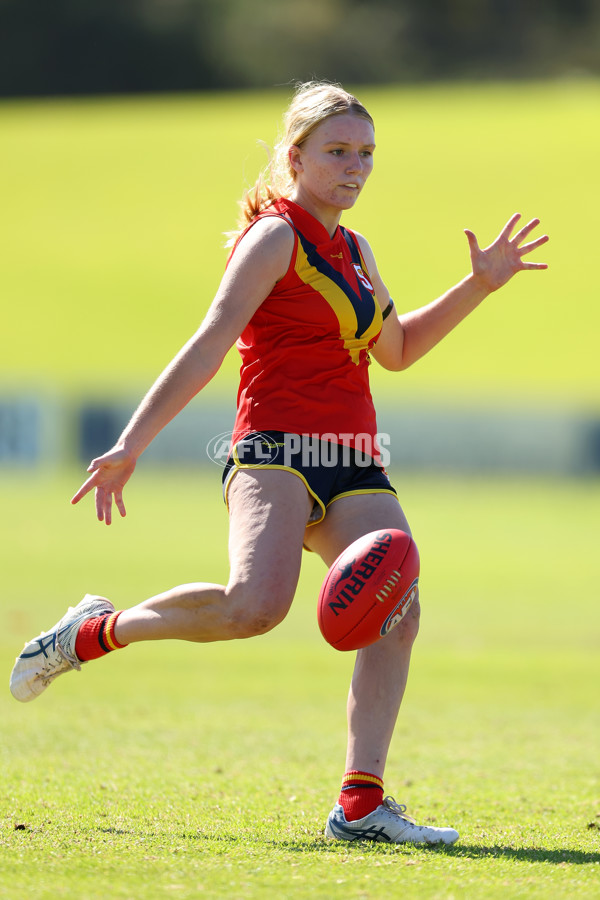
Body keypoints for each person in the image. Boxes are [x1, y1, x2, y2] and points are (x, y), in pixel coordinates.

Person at [9, 81, 548, 846]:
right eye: (337, 152)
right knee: (252, 608)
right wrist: (132, 441)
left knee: (399, 606)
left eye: (365, 154)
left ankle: (361, 806)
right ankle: (92, 632)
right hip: (275, 454)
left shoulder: (355, 250)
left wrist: (479, 285)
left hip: (354, 457)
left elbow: (396, 352)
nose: (354, 166)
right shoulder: (275, 238)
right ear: (295, 158)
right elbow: (210, 340)